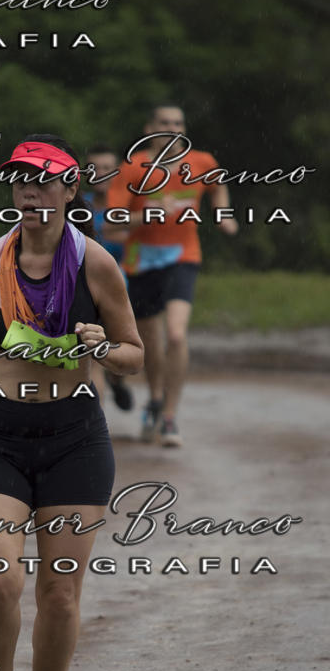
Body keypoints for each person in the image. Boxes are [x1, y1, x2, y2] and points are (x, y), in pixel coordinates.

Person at [0, 134, 143, 671]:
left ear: (69, 189)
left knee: (59, 591)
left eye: (44, 178)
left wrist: (98, 344)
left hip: (74, 439)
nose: (30, 187)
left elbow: (135, 355)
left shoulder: (95, 264)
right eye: (20, 177)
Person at [106, 105, 238, 447]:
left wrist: (222, 215)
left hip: (183, 256)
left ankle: (169, 417)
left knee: (176, 334)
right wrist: (144, 215)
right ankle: (153, 400)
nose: (172, 128)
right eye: (165, 123)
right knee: (151, 341)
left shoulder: (201, 163)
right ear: (150, 128)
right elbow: (110, 223)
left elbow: (218, 186)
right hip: (142, 261)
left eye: (178, 123)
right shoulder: (133, 169)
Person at [84, 145, 133, 412]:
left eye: (106, 168)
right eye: (94, 168)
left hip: (128, 286)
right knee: (94, 357)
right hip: (90, 287)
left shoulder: (131, 204)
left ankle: (118, 381)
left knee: (122, 351)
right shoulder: (78, 206)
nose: (100, 173)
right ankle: (96, 425)